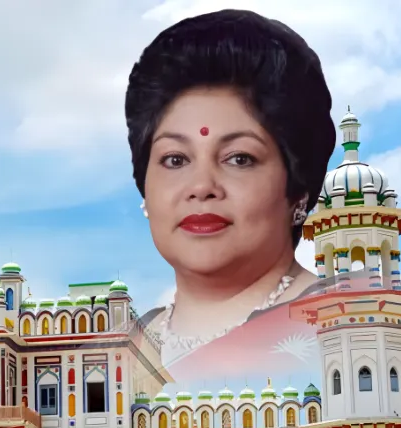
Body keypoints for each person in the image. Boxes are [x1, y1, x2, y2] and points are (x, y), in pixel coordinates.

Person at [124, 9, 337, 383]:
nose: (202, 186)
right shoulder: (126, 349)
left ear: (298, 190)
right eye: (175, 159)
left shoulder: (347, 329)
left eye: (240, 158)